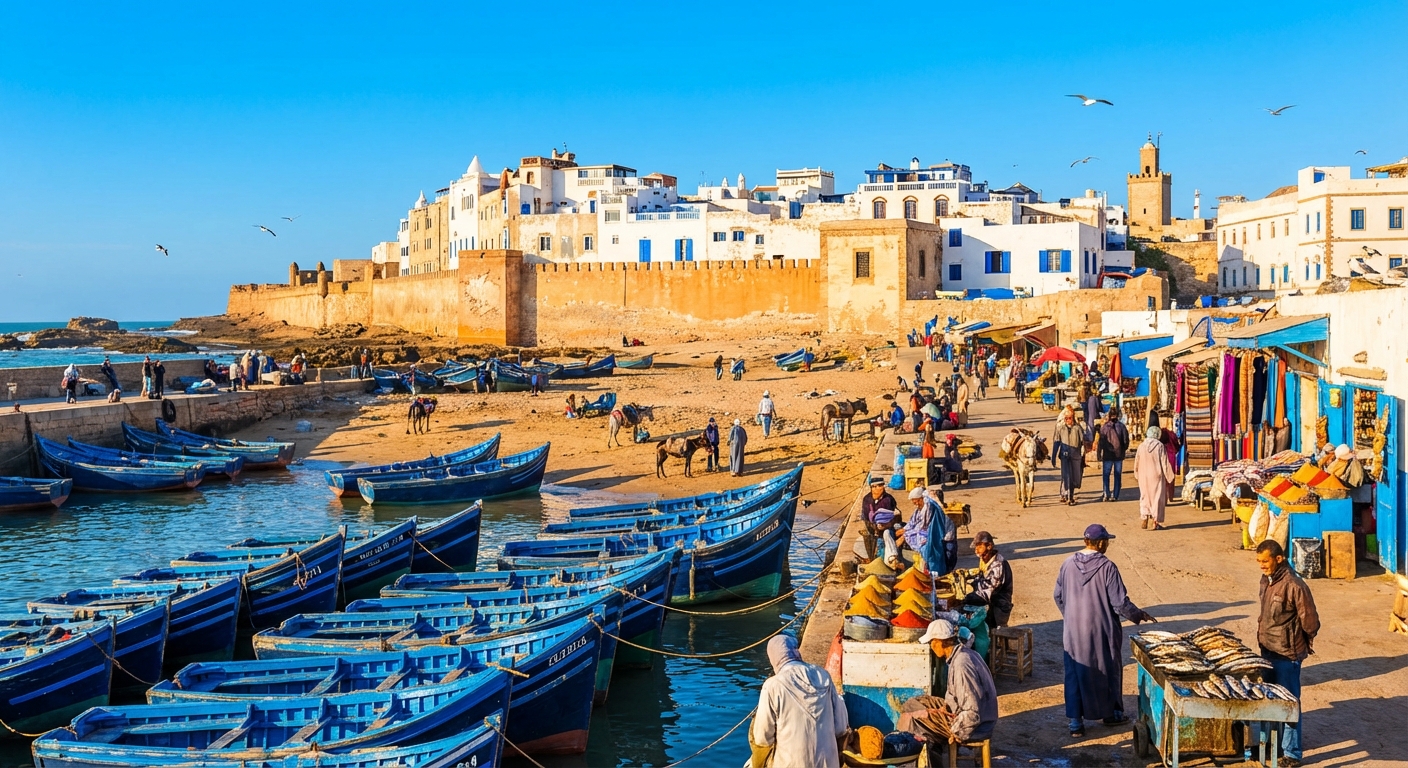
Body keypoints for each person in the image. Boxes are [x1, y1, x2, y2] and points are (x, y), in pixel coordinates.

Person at [1053, 524, 1157, 738]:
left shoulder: (1067, 564)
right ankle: (1111, 714)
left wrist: (1072, 616)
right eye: (1107, 541)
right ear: (1100, 543)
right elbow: (1119, 604)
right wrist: (1138, 614)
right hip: (1102, 630)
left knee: (1075, 672)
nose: (1108, 544)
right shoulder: (1108, 567)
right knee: (1108, 670)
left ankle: (1075, 724)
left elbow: (1058, 596)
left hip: (1073, 631)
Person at [1255, 539, 1320, 767]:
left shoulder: (1295, 585)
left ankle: (1292, 753)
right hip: (1266, 651)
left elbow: (1311, 623)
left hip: (1287, 655)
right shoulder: (1266, 580)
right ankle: (1272, 744)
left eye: (1265, 561)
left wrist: (1298, 643)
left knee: (1289, 703)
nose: (1261, 565)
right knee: (1269, 701)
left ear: (1279, 559)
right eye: (1259, 561)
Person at [898, 618, 999, 756]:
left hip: (977, 725)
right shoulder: (963, 654)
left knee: (913, 720)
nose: (931, 647)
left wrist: (954, 733)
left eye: (932, 642)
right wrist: (941, 710)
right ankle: (935, 747)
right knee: (913, 704)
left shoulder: (961, 665)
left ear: (941, 641)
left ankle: (930, 757)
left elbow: (972, 713)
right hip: (975, 714)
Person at [750, 635, 848, 768]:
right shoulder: (823, 675)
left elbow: (762, 737)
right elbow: (840, 727)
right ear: (796, 651)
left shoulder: (773, 686)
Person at [963, 531, 1013, 628]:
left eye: (979, 547)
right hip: (989, 601)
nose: (976, 551)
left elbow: (986, 593)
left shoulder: (998, 566)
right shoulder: (985, 558)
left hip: (999, 607)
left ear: (989, 546)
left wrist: (963, 598)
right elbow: (980, 579)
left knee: (992, 631)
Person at [904, 487, 956, 576]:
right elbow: (915, 522)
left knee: (947, 556)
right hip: (936, 535)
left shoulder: (935, 508)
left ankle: (943, 573)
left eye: (916, 501)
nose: (915, 504)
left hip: (946, 537)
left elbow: (925, 524)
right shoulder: (926, 508)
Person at [1135, 425, 1175, 529]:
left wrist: (1137, 474)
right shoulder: (1160, 446)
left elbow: (1137, 462)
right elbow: (1164, 463)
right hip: (1156, 476)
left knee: (1144, 496)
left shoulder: (1141, 446)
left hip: (1143, 475)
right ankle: (1155, 522)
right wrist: (1170, 476)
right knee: (1156, 498)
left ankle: (1144, 517)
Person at [1052, 406, 1087, 505]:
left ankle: (1068, 495)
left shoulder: (1078, 428)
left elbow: (1082, 442)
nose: (1068, 420)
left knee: (1075, 477)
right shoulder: (1061, 428)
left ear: (1073, 418)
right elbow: (1056, 442)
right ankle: (1068, 497)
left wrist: (1084, 455)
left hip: (1076, 456)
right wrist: (1054, 456)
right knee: (1067, 476)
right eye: (1066, 418)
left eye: (1070, 418)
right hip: (1064, 456)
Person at [1097, 410, 1130, 502]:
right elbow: (1126, 441)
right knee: (1117, 475)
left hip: (1107, 455)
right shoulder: (1122, 427)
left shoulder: (1104, 427)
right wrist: (1123, 450)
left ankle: (1106, 493)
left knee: (1106, 475)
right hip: (1118, 455)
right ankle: (1115, 495)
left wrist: (1099, 453)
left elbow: (1101, 442)